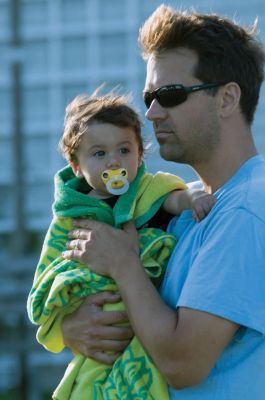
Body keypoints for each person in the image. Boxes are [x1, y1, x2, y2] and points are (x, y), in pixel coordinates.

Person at [60, 4, 265, 399]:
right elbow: (146, 318)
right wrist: (77, 327)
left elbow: (182, 364)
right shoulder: (187, 207)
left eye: (170, 94)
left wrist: (123, 264)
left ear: (226, 99)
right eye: (148, 96)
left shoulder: (245, 210)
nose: (151, 113)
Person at [27, 89, 215, 399]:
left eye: (124, 150)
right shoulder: (68, 218)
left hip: (146, 321)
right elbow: (48, 276)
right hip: (99, 327)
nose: (114, 161)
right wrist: (63, 321)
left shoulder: (146, 188)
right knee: (91, 382)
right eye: (99, 154)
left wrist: (195, 198)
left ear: (140, 155)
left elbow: (174, 196)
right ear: (76, 166)